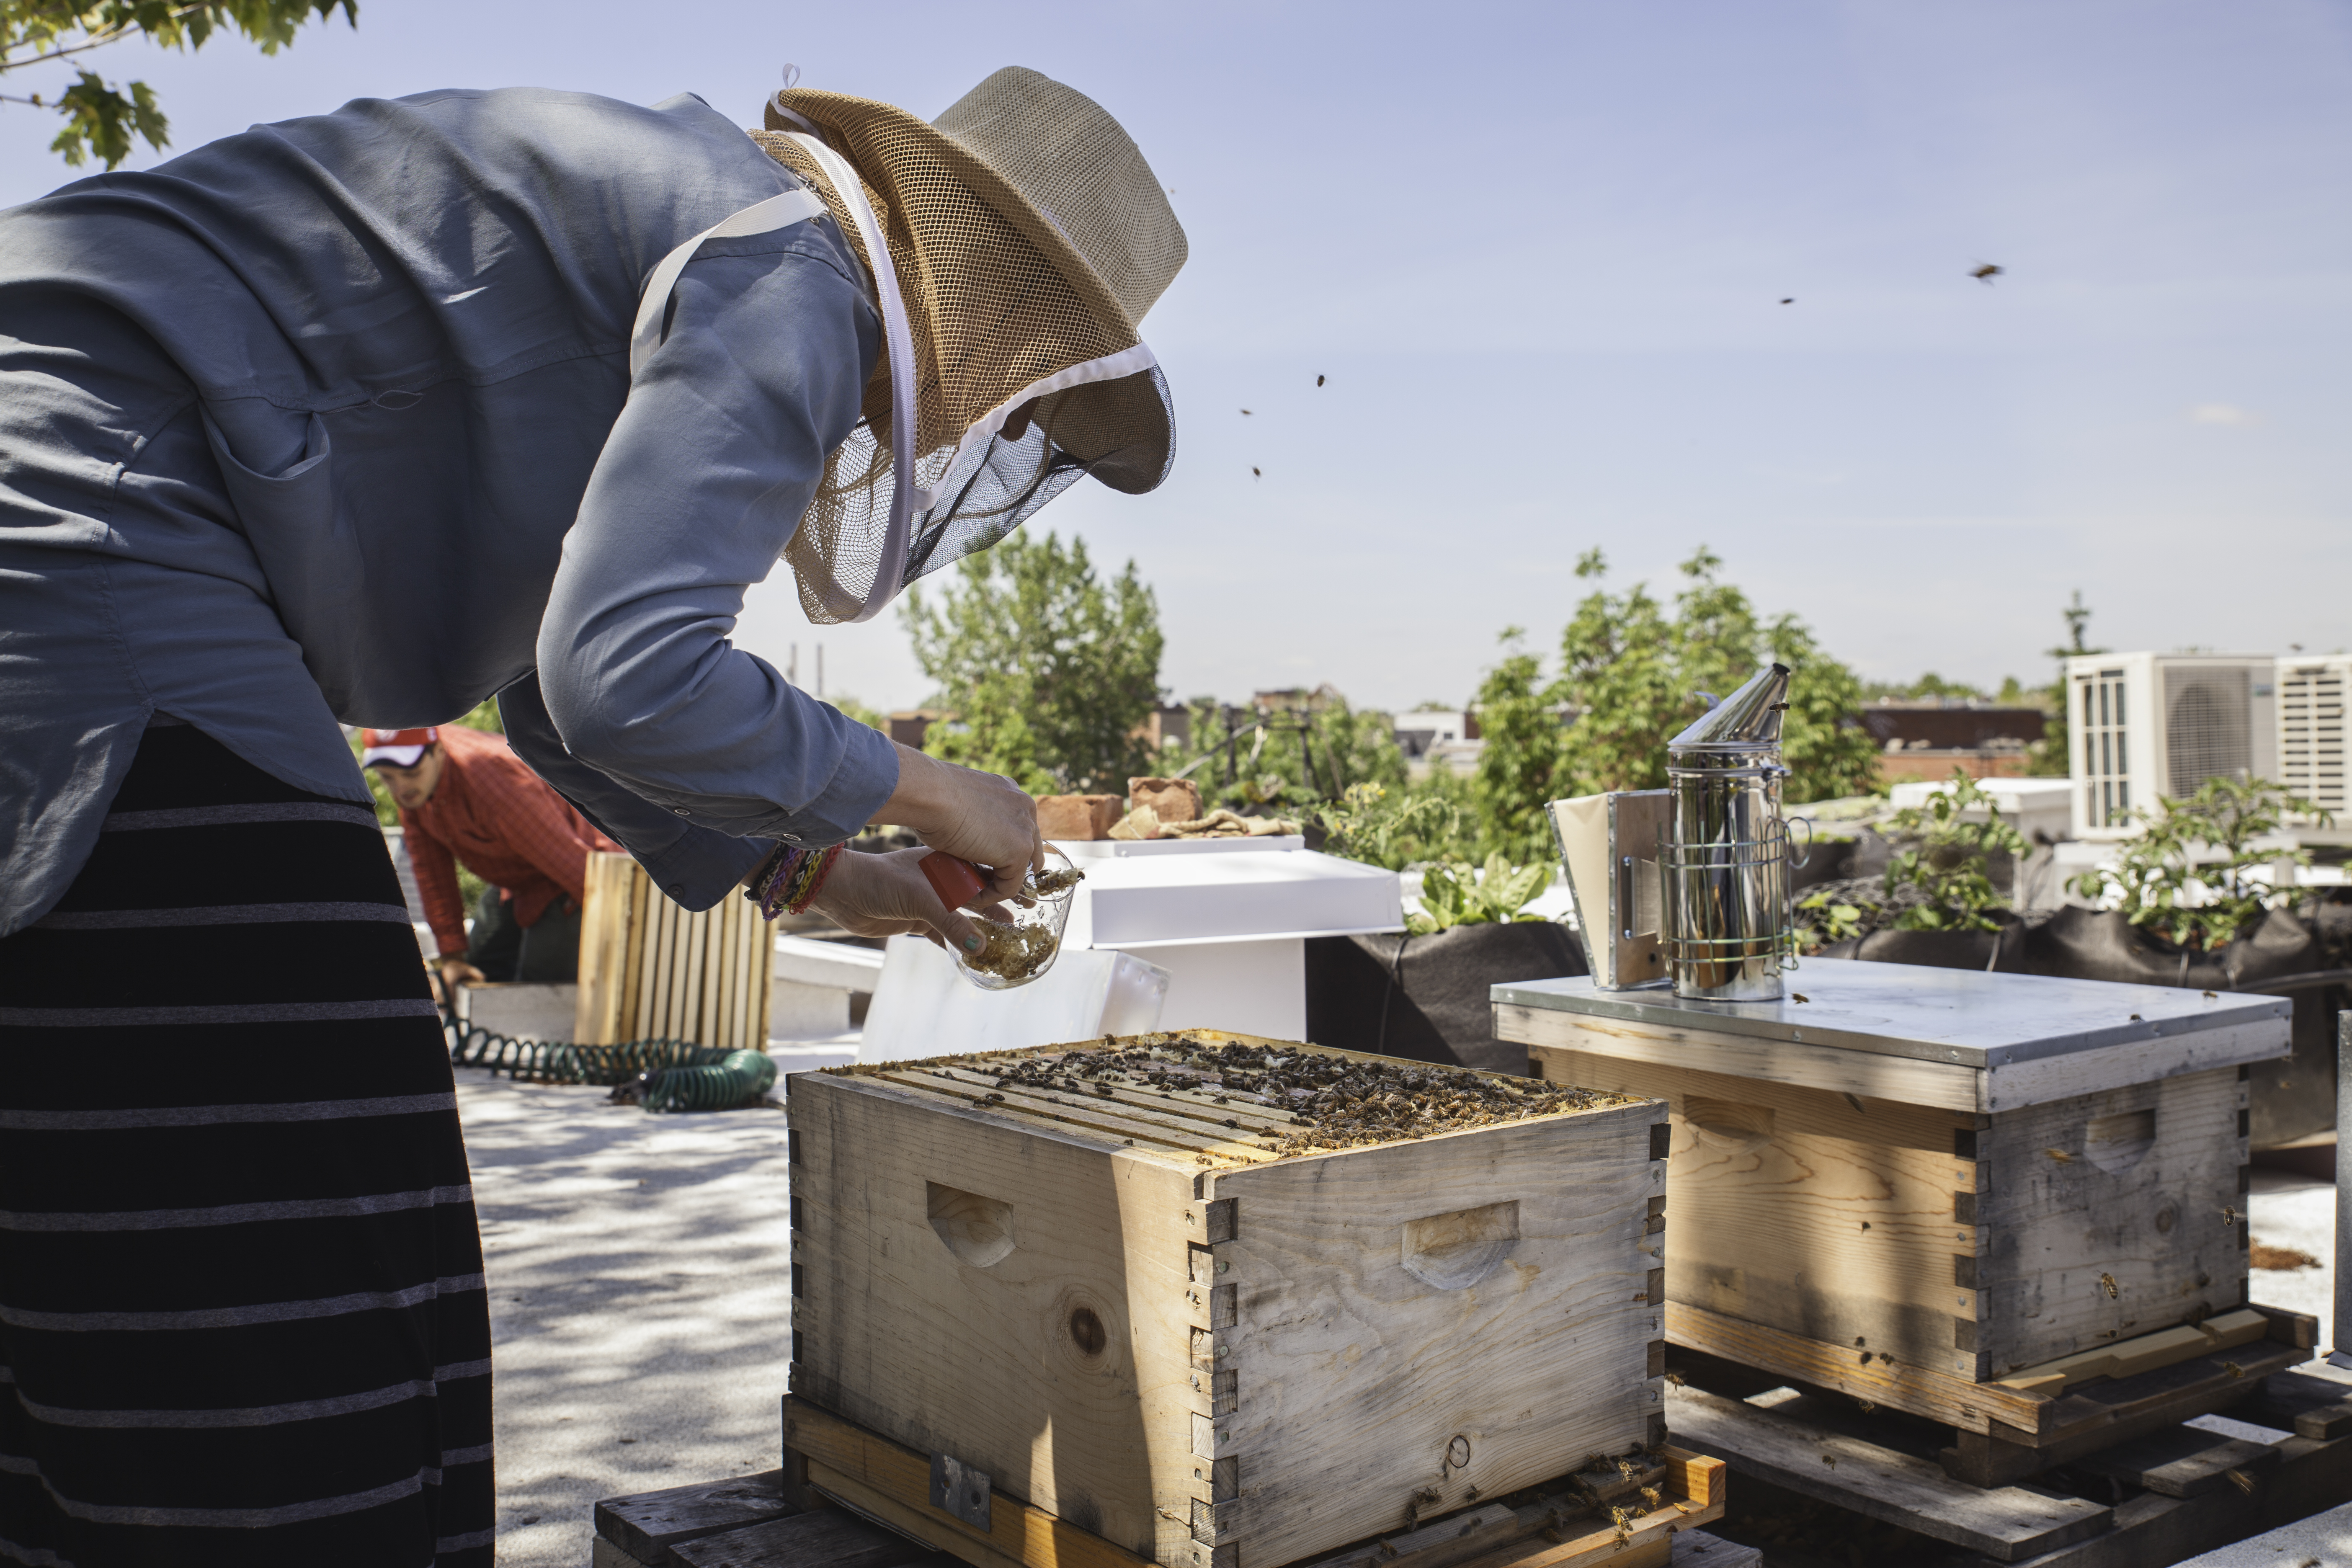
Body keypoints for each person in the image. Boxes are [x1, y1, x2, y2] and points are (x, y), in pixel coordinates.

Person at [0, 66, 1184, 1567]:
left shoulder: (685, 235)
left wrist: (857, 879)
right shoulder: (791, 270)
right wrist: (943, 787)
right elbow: (626, 672)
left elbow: (555, 698)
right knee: (301, 1338)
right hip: (80, 524)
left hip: (78, 515)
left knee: (143, 1301)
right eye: (1037, 404)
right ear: (998, 327)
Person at [362, 724, 621, 989]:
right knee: (476, 969)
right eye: (387, 777)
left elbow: (573, 866)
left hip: (582, 871)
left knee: (540, 984)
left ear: (438, 751)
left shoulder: (493, 778)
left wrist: (623, 932)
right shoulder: (415, 791)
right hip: (519, 876)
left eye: (411, 772)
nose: (401, 787)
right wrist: (452, 958)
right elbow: (433, 875)